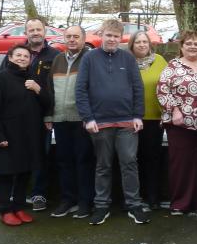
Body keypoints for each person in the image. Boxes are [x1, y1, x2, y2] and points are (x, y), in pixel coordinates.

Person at [75, 19, 148, 225]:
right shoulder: (89, 58)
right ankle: (102, 206)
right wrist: (88, 118)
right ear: (102, 35)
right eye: (109, 35)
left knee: (129, 163)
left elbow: (137, 88)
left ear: (120, 38)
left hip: (127, 122)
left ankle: (134, 205)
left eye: (116, 36)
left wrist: (137, 115)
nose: (112, 39)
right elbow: (81, 90)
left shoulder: (128, 58)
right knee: (103, 165)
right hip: (99, 123)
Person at [0, 17, 60, 212]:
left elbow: (54, 90)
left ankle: (38, 193)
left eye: (38, 29)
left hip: (41, 119)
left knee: (40, 157)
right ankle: (12, 203)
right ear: (26, 32)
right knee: (14, 161)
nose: (35, 32)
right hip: (14, 122)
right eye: (31, 29)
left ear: (44, 31)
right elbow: (1, 88)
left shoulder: (55, 55)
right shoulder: (15, 55)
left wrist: (49, 115)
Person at [0, 45, 51, 226]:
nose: (22, 58)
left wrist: (38, 89)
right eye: (18, 55)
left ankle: (18, 207)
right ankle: (5, 210)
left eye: (26, 56)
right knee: (7, 174)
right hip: (8, 136)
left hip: (30, 135)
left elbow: (48, 103)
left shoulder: (33, 78)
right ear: (10, 57)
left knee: (25, 173)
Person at [156, 30, 197, 215]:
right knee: (181, 163)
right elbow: (162, 90)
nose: (193, 47)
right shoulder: (173, 66)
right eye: (189, 43)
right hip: (179, 123)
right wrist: (174, 110)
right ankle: (180, 203)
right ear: (181, 46)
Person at [46, 26, 95, 219]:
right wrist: (49, 116)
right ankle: (68, 199)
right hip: (60, 118)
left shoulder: (90, 58)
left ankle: (85, 201)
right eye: (69, 36)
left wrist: (90, 116)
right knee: (64, 161)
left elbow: (94, 89)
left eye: (76, 36)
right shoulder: (57, 59)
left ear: (83, 39)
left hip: (82, 119)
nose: (72, 39)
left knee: (84, 160)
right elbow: (49, 89)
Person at [128, 31, 167, 211]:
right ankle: (136, 196)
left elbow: (168, 86)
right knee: (132, 159)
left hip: (154, 119)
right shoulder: (126, 62)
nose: (142, 45)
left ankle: (153, 196)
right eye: (138, 42)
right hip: (131, 119)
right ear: (132, 45)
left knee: (152, 158)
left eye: (145, 41)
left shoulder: (159, 60)